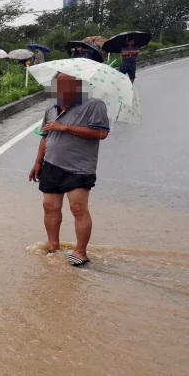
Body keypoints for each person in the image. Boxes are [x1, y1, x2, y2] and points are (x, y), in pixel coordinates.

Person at [28, 73, 111, 267]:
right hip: (51, 164)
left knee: (78, 208)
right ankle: (54, 246)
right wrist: (38, 162)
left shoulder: (94, 105)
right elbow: (45, 136)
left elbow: (101, 132)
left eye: (64, 84)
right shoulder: (52, 108)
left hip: (79, 167)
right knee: (49, 206)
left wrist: (64, 127)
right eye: (57, 84)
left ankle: (80, 252)